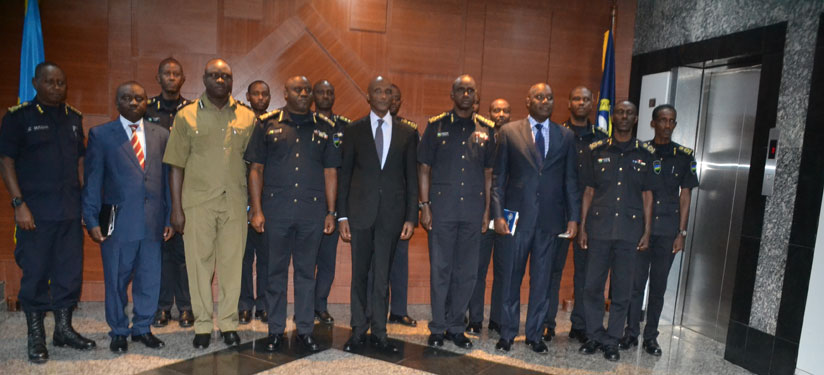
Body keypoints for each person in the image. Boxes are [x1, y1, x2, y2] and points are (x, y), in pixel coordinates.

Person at [0, 61, 96, 364]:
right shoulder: (18, 118)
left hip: (69, 210)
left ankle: (63, 330)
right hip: (35, 213)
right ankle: (36, 335)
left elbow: (79, 163)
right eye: (50, 82)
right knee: (36, 274)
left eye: (61, 83)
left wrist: (85, 203)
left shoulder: (73, 118)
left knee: (69, 274)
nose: (56, 88)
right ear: (35, 83)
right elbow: (6, 162)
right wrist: (19, 204)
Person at [163, 58, 257, 349]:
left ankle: (228, 324)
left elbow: (255, 166)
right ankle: (202, 325)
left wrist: (255, 206)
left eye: (226, 76)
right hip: (197, 204)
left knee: (232, 266)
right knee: (198, 266)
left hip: (234, 203)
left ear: (231, 81)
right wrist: (176, 209)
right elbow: (176, 165)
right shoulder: (186, 116)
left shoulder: (247, 117)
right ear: (203, 79)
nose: (220, 80)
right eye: (214, 75)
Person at [245, 76, 339, 352]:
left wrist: (331, 211)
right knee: (274, 272)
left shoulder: (325, 128)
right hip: (276, 211)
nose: (303, 93)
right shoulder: (267, 124)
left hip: (312, 212)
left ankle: (305, 330)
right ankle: (275, 330)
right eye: (297, 89)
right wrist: (256, 210)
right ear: (285, 93)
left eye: (306, 90)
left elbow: (331, 172)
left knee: (306, 273)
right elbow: (255, 169)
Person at [82, 81, 174, 353]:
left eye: (139, 98)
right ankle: (119, 330)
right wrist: (91, 219)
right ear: (117, 102)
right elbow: (93, 179)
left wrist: (168, 218)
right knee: (116, 280)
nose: (134, 103)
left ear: (147, 102)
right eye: (127, 98)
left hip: (153, 222)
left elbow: (167, 181)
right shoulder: (101, 135)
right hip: (118, 223)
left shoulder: (161, 134)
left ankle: (143, 328)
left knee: (149, 278)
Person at [491, 83, 579, 354]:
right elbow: (498, 179)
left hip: (550, 221)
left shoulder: (565, 136)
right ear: (528, 101)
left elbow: (570, 181)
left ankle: (534, 335)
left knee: (542, 281)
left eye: (550, 97)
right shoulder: (508, 132)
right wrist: (498, 215)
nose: (545, 101)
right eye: (539, 97)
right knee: (510, 279)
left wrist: (574, 218)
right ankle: (507, 333)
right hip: (516, 220)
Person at [338, 76, 418, 354]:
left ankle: (381, 333)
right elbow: (344, 175)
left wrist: (411, 217)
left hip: (392, 217)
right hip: (359, 214)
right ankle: (358, 330)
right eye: (377, 91)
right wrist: (341, 216)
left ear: (393, 98)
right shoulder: (353, 130)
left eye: (388, 92)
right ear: (368, 97)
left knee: (382, 276)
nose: (383, 95)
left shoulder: (408, 133)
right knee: (359, 274)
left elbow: (411, 178)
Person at [419, 75, 495, 349]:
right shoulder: (436, 125)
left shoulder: (487, 130)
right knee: (441, 270)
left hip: (473, 211)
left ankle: (456, 327)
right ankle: (438, 327)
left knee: (467, 272)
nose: (465, 94)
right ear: (452, 94)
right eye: (460, 90)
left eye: (470, 90)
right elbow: (424, 168)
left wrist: (487, 211)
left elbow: (489, 174)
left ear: (477, 96)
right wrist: (424, 206)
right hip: (442, 210)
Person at [578, 100, 655, 362]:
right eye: (620, 112)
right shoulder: (596, 150)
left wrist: (647, 231)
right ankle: (593, 336)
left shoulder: (645, 154)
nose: (624, 116)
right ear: (613, 117)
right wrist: (583, 227)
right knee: (592, 287)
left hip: (629, 232)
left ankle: (612, 340)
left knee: (622, 290)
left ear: (635, 119)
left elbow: (647, 196)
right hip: (598, 230)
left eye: (629, 113)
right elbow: (588, 191)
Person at [619, 104, 697, 356]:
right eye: (662, 120)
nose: (666, 125)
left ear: (674, 124)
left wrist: (681, 233)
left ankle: (651, 336)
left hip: (668, 230)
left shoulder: (684, 155)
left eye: (671, 121)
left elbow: (685, 196)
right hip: (641, 229)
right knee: (635, 284)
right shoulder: (641, 151)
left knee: (659, 287)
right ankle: (631, 332)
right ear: (653, 123)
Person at [543, 86, 607, 343]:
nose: (581, 102)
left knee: (586, 273)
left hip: (592, 216)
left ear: (592, 104)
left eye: (586, 99)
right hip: (558, 213)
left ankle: (579, 325)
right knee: (551, 270)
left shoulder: (603, 138)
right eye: (576, 98)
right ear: (568, 103)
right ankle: (546, 323)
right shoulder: (555, 133)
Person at [148, 57, 194, 329]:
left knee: (185, 253)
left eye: (177, 73)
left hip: (186, 187)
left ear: (183, 79)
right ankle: (162, 307)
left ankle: (186, 307)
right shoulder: (145, 109)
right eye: (167, 73)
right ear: (159, 78)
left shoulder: (192, 111)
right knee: (162, 252)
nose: (172, 78)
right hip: (155, 187)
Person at [372, 83, 417, 328]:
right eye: (390, 96)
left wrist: (413, 211)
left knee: (399, 263)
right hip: (371, 209)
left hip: (397, 209)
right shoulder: (365, 127)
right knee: (372, 264)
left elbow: (413, 175)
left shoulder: (409, 131)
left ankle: (398, 311)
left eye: (397, 98)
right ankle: (372, 310)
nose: (393, 102)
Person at [466, 98, 510, 335]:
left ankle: (498, 319)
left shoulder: (516, 139)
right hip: (483, 213)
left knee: (504, 270)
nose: (501, 114)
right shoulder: (480, 136)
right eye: (496, 110)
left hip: (505, 215)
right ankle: (475, 319)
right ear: (489, 112)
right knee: (478, 270)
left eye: (505, 111)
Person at [312, 79, 350, 325]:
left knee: (327, 260)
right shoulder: (307, 123)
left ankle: (320, 305)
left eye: (330, 92)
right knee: (305, 261)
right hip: (308, 202)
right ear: (314, 96)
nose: (326, 96)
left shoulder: (346, 127)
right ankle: (305, 305)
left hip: (333, 203)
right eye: (321, 92)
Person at [238, 80, 271, 325]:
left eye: (265, 94)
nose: (260, 98)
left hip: (267, 199)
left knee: (268, 257)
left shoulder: (274, 124)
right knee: (243, 257)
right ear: (248, 96)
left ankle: (264, 305)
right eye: (256, 94)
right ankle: (244, 305)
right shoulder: (239, 122)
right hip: (239, 198)